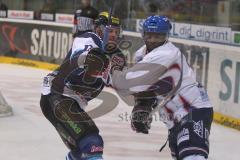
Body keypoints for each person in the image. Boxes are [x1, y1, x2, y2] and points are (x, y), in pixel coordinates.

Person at [110, 15, 213, 160]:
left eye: (158, 37)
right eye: (149, 35)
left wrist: (113, 69)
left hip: (193, 110)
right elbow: (146, 87)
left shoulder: (166, 54)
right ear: (143, 34)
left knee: (193, 157)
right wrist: (142, 105)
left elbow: (128, 84)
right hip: (174, 118)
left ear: (166, 36)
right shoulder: (142, 53)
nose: (152, 41)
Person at [40, 9, 125, 160]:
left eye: (116, 32)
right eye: (109, 30)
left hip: (70, 102)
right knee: (92, 143)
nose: (113, 35)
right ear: (98, 30)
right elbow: (79, 58)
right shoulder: (87, 39)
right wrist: (89, 59)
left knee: (81, 152)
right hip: (57, 95)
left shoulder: (116, 56)